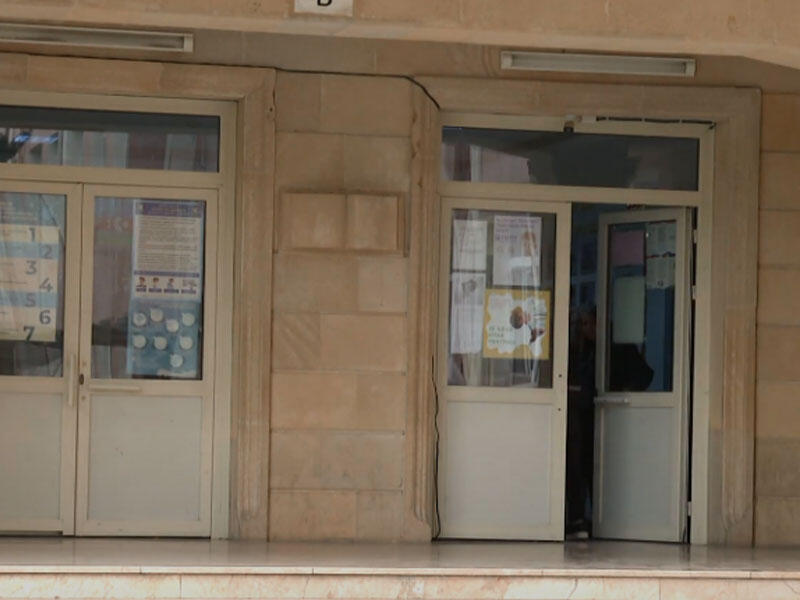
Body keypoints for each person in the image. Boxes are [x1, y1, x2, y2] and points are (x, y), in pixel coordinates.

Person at [566, 306, 596, 538]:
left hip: (591, 417)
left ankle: (585, 518)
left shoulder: (602, 351)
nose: (582, 329)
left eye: (586, 323)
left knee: (588, 468)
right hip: (576, 418)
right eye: (579, 325)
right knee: (575, 467)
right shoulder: (574, 351)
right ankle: (575, 518)